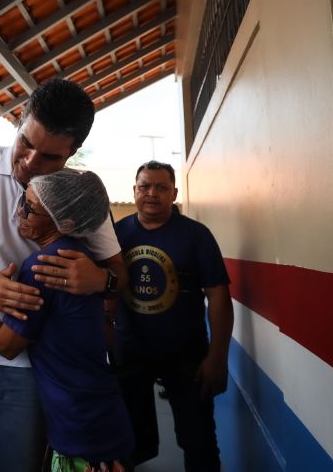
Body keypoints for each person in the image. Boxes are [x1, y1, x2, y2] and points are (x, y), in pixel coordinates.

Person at [0, 78, 128, 472]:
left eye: (50, 157)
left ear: (73, 151)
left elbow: (119, 274)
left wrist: (102, 281)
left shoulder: (76, 194)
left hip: (29, 368)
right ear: (20, 121)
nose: (30, 162)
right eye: (26, 143)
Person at [0, 170, 134, 472]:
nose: (18, 211)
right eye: (23, 199)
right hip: (95, 413)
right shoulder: (77, 254)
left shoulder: (45, 266)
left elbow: (5, 345)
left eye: (30, 208)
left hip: (85, 427)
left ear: (67, 224)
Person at [114, 160, 233, 472]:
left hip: (187, 356)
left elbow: (218, 293)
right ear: (134, 191)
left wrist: (218, 358)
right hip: (129, 353)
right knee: (126, 442)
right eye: (145, 186)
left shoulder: (196, 235)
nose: (152, 193)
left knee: (199, 441)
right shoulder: (115, 235)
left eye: (161, 187)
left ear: (174, 193)